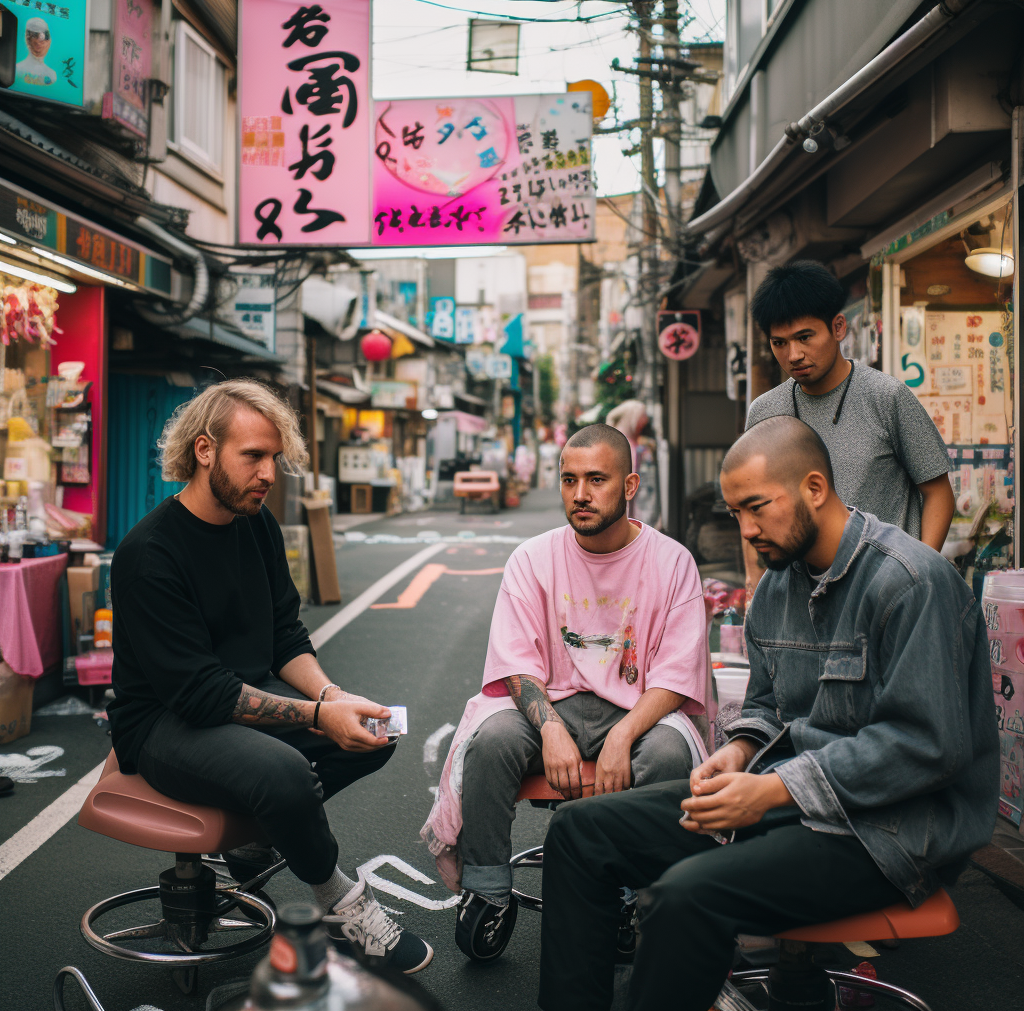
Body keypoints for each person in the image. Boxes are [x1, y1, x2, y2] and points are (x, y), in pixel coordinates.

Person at [538, 415, 998, 1011]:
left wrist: (772, 790)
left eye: (757, 507)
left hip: (888, 833)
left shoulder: (911, 583)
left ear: (814, 487)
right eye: (736, 514)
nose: (747, 530)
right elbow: (763, 707)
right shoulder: (779, 583)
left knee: (684, 897)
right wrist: (736, 753)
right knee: (580, 830)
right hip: (788, 807)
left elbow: (925, 746)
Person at [107, 379, 433, 974]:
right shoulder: (147, 554)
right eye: (252, 456)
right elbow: (201, 694)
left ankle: (258, 841)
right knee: (284, 774)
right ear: (204, 450)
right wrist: (315, 716)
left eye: (274, 459)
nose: (268, 474)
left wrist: (334, 697)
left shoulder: (253, 522)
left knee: (376, 730)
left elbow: (285, 635)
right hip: (164, 722)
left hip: (242, 699)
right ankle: (338, 904)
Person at [421, 423, 712, 960]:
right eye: (569, 480)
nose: (580, 494)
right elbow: (515, 662)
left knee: (671, 754)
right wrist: (550, 727)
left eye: (596, 479)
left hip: (636, 707)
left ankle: (631, 891)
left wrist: (624, 734)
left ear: (629, 485)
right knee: (489, 743)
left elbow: (675, 674)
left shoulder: (673, 562)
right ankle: (488, 891)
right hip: (550, 702)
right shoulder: (532, 558)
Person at [743, 260, 954, 593]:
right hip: (799, 595)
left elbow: (938, 491)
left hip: (886, 589)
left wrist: (922, 570)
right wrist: (756, 582)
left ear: (838, 328)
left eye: (804, 337)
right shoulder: (765, 412)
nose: (794, 354)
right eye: (779, 343)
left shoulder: (886, 396)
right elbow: (750, 505)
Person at [15, 18, 57, 86]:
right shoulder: (17, 70)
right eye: (35, 36)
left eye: (46, 37)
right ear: (28, 40)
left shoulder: (51, 75)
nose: (40, 43)